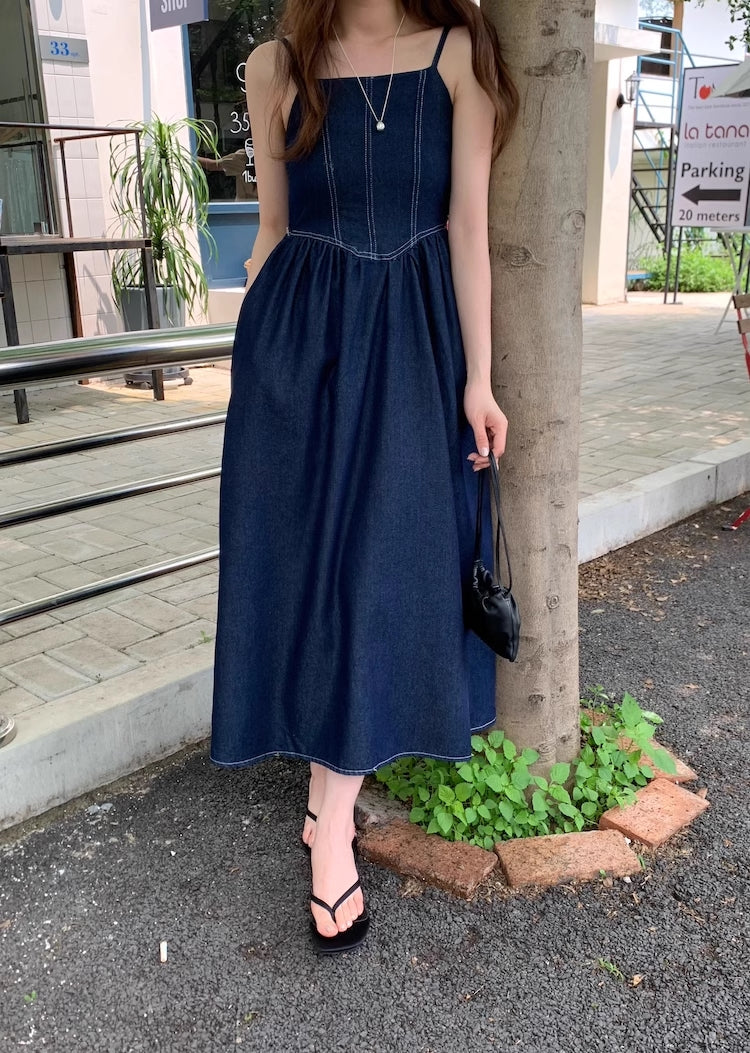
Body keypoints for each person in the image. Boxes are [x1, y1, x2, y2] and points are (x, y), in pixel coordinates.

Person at [210, 0, 519, 955]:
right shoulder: (274, 66)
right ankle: (328, 808)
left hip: (413, 350)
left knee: (380, 574)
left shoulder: (458, 54)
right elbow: (271, 227)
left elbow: (467, 227)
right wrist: (253, 366)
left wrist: (479, 378)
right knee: (312, 576)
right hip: (300, 352)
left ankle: (331, 816)